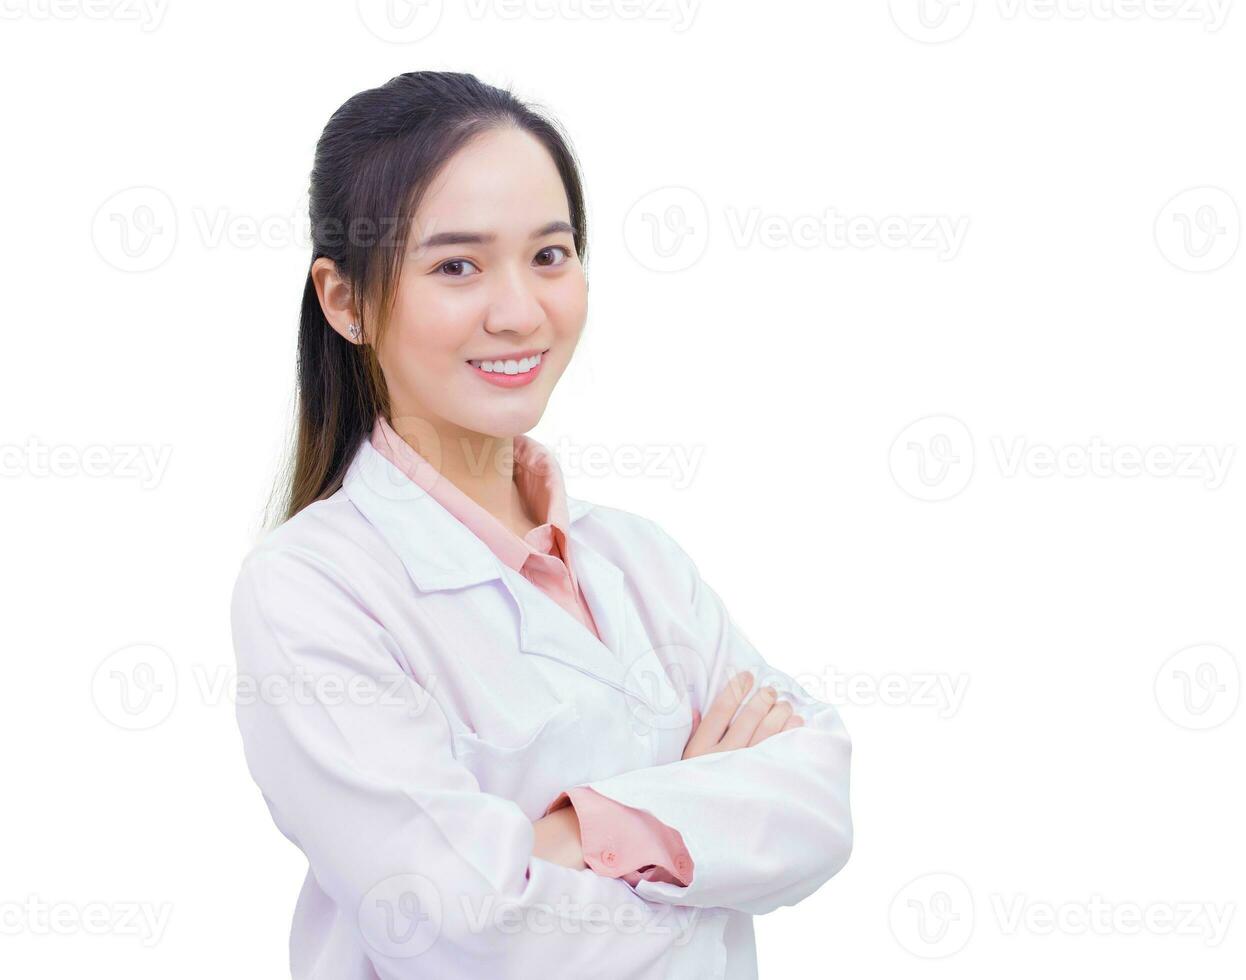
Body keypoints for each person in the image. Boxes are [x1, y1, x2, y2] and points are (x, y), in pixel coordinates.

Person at [229, 70, 854, 979]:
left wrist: (564, 839)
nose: (520, 311)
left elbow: (821, 795)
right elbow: (457, 924)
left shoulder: (641, 560)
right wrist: (701, 825)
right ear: (345, 301)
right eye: (456, 265)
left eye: (550, 255)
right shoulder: (311, 589)